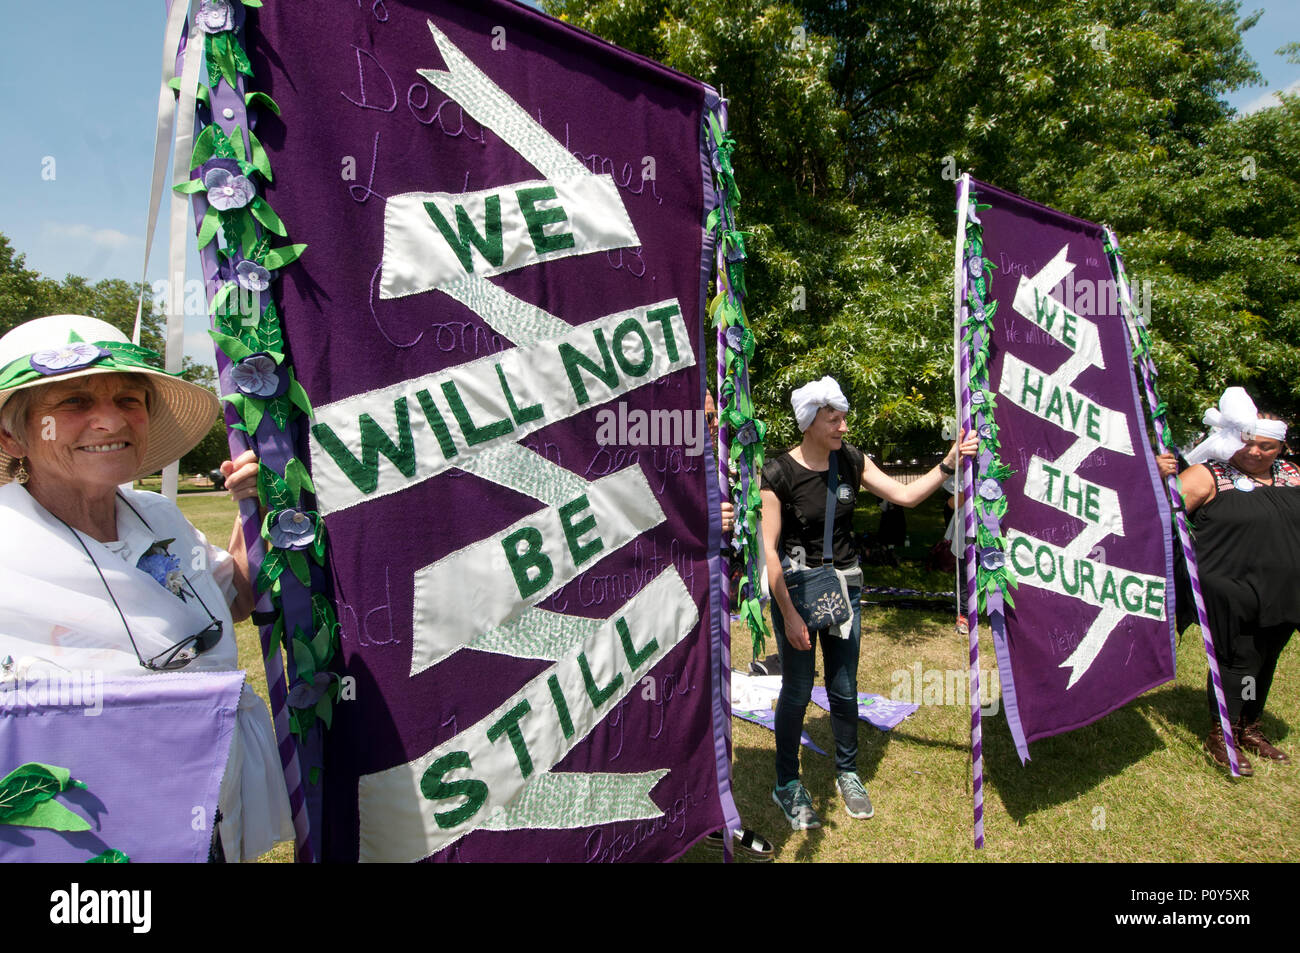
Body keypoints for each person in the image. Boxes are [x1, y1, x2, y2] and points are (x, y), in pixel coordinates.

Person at [0, 314, 293, 860]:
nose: (110, 421)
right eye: (74, 403)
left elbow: (233, 601)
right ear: (11, 435)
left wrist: (252, 508)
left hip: (197, 814)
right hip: (79, 838)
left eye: (129, 400)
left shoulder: (157, 516)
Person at [760, 376, 975, 828]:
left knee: (844, 688)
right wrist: (790, 615)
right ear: (809, 422)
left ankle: (848, 771)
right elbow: (770, 554)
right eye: (833, 419)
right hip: (796, 594)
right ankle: (786, 783)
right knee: (797, 691)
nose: (842, 427)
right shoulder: (777, 474)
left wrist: (947, 464)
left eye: (843, 418)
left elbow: (907, 496)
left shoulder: (852, 461)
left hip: (845, 592)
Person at [1156, 387, 1299, 775]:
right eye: (1249, 444)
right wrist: (1158, 475)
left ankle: (1249, 726)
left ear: (1280, 449)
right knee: (1240, 659)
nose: (1255, 453)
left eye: (1266, 448)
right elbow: (1158, 511)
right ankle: (1223, 732)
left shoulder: (1292, 475)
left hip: (1283, 590)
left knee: (1266, 658)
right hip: (1230, 586)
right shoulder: (1210, 473)